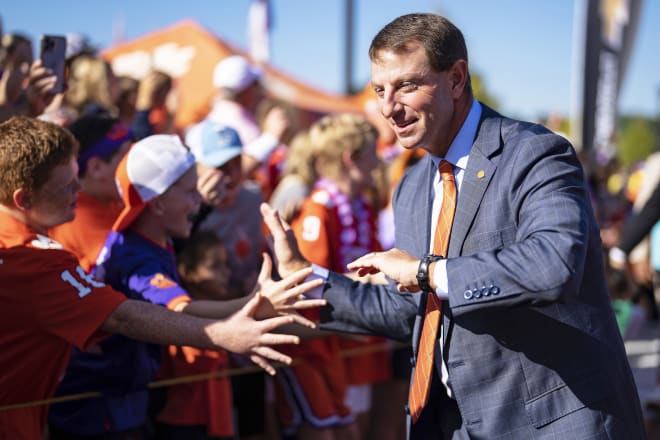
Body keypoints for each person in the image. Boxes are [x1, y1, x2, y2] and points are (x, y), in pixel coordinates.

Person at [261, 13, 646, 439]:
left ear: (457, 79)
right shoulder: (411, 186)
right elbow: (411, 308)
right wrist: (308, 280)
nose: (388, 107)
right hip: (450, 423)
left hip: (552, 424)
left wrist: (428, 272)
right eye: (379, 90)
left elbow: (554, 263)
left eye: (407, 85)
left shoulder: (535, 153)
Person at [0, 116, 321, 440]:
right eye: (67, 184)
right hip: (101, 412)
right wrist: (237, 321)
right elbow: (133, 315)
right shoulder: (39, 259)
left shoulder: (143, 241)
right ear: (24, 199)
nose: (79, 188)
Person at [48, 113, 132, 271]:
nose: (136, 164)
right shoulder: (75, 215)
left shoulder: (109, 199)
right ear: (96, 168)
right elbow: (131, 267)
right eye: (127, 157)